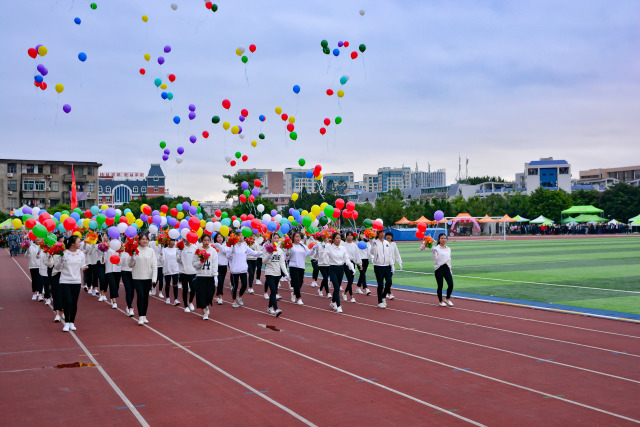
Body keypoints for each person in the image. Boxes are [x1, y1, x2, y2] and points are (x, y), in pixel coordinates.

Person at [55, 235, 88, 332]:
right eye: (78, 242)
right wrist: (61, 260)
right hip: (65, 280)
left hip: (76, 281)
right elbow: (57, 268)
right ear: (72, 243)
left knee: (74, 303)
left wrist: (85, 267)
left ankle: (72, 322)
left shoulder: (81, 254)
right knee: (68, 301)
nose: (80, 243)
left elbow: (83, 265)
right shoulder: (64, 253)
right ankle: (66, 322)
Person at [221, 234, 262, 308]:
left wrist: (263, 252)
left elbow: (254, 253)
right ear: (236, 237)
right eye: (240, 236)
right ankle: (234, 301)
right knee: (235, 286)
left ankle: (239, 296)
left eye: (243, 236)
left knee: (244, 285)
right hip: (235, 270)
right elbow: (228, 256)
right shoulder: (232, 246)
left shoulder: (245, 247)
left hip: (243, 269)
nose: (242, 237)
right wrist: (232, 250)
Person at [129, 232, 158, 325]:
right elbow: (130, 265)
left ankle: (144, 315)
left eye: (146, 239)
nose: (144, 241)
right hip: (137, 277)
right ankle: (140, 316)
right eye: (143, 239)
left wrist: (154, 278)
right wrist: (132, 258)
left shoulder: (151, 251)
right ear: (139, 240)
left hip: (148, 277)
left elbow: (154, 265)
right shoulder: (135, 250)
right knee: (140, 295)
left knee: (146, 297)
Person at [324, 233, 355, 314]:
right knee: (337, 287)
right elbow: (324, 256)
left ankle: (333, 301)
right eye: (337, 238)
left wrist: (351, 267)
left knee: (337, 288)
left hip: (341, 269)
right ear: (333, 239)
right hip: (333, 268)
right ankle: (339, 306)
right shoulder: (329, 248)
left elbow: (347, 258)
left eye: (340, 238)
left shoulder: (343, 248)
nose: (338, 240)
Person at [192, 234, 218, 320]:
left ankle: (206, 306)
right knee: (201, 295)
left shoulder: (213, 251)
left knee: (209, 295)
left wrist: (215, 275)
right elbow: (194, 264)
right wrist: (201, 262)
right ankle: (204, 312)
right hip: (200, 276)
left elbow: (215, 263)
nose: (206, 242)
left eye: (208, 240)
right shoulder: (198, 251)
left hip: (209, 276)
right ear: (201, 241)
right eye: (205, 240)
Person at [262, 233, 289, 316]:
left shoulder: (280, 250)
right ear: (271, 239)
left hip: (278, 273)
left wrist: (286, 274)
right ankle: (276, 309)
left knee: (274, 292)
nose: (276, 240)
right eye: (275, 238)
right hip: (269, 273)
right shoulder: (267, 248)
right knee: (273, 291)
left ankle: (270, 307)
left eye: (278, 238)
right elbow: (264, 261)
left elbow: (282, 263)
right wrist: (269, 255)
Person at [288, 232, 314, 305]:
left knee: (301, 282)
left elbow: (309, 253)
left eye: (299, 236)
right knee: (296, 282)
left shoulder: (303, 246)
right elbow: (287, 256)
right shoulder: (291, 246)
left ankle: (294, 293)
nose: (298, 238)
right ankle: (299, 298)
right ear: (293, 238)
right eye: (296, 236)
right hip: (293, 266)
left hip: (301, 266)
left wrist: (313, 249)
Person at [370, 230, 394, 309]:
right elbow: (372, 252)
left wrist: (392, 265)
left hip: (387, 265)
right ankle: (380, 301)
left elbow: (390, 255)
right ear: (378, 233)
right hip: (378, 266)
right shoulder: (375, 242)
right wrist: (373, 245)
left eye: (383, 232)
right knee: (380, 284)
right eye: (381, 232)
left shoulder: (387, 243)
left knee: (389, 282)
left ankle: (383, 296)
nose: (382, 234)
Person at [44, 236, 64, 322]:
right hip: (55, 275)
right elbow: (50, 265)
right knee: (56, 294)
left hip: (65, 276)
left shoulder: (66, 253)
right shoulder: (54, 255)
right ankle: (57, 314)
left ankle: (65, 312)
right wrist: (49, 256)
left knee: (64, 295)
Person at [432, 233, 454, 307]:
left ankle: (447, 299)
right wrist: (433, 251)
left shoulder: (448, 249)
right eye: (442, 238)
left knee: (451, 284)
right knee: (440, 285)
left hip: (447, 267)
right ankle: (440, 301)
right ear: (439, 239)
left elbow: (449, 259)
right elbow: (434, 259)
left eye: (445, 238)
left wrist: (450, 268)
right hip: (439, 268)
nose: (443, 239)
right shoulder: (436, 248)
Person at [341, 231, 362, 303]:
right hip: (345, 263)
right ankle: (351, 296)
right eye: (348, 235)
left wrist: (360, 264)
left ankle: (344, 293)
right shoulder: (343, 244)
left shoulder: (354, 245)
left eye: (351, 235)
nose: (350, 237)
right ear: (346, 236)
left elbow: (357, 255)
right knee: (349, 279)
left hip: (352, 263)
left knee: (351, 280)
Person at [177, 238, 197, 312]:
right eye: (186, 238)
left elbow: (197, 258)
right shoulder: (181, 247)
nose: (188, 239)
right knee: (185, 289)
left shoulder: (195, 247)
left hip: (193, 272)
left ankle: (190, 301)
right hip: (183, 272)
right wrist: (180, 252)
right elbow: (178, 260)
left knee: (193, 288)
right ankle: (186, 306)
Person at [161, 238, 181, 306]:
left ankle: (175, 299)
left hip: (175, 268)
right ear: (168, 241)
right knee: (168, 284)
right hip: (167, 268)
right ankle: (167, 297)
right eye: (171, 240)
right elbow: (162, 259)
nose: (173, 242)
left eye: (174, 241)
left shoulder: (176, 249)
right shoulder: (164, 250)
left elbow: (178, 259)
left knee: (175, 284)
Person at [384, 231, 403, 301]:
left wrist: (399, 262)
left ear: (392, 237)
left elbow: (396, 253)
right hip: (385, 264)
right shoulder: (384, 243)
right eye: (387, 235)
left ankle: (386, 292)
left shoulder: (394, 244)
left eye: (389, 235)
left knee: (389, 280)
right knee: (388, 280)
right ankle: (388, 293)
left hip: (392, 265)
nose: (388, 236)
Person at [212, 233, 228, 305]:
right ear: (215, 238)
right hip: (216, 266)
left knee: (222, 282)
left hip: (224, 266)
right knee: (220, 282)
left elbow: (225, 251)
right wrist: (217, 246)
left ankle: (218, 295)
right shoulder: (213, 245)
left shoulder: (226, 245)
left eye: (221, 237)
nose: (220, 238)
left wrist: (220, 246)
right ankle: (220, 297)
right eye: (218, 237)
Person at [120, 249, 135, 317]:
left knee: (132, 291)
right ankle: (130, 308)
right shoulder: (123, 252)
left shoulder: (135, 252)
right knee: (128, 290)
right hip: (125, 272)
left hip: (134, 273)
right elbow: (119, 263)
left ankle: (129, 305)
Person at [96, 234, 109, 302]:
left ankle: (104, 294)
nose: (106, 237)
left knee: (106, 279)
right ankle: (101, 294)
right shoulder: (99, 245)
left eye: (106, 236)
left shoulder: (109, 245)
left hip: (107, 263)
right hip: (100, 263)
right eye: (104, 236)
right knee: (102, 278)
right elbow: (98, 254)